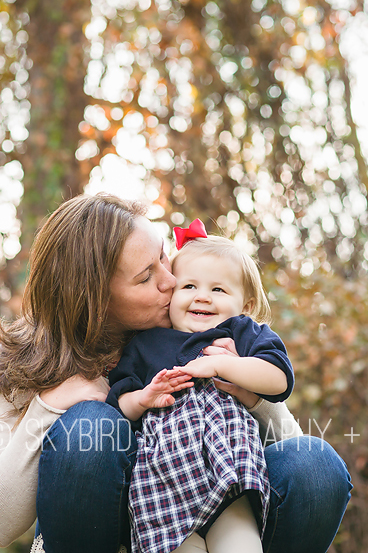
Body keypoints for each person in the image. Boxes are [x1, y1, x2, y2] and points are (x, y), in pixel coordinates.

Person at [0, 193, 351, 553]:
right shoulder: (34, 358)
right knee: (92, 425)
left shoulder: (197, 324)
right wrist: (48, 407)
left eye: (164, 260)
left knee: (316, 463)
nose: (171, 281)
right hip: (126, 525)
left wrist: (245, 389)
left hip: (226, 509)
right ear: (96, 299)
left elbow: (291, 447)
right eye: (145, 277)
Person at [107, 220, 294, 553]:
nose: (203, 297)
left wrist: (225, 365)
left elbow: (279, 379)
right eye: (189, 286)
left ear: (246, 306)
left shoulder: (240, 333)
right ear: (171, 294)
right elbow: (118, 404)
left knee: (242, 545)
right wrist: (145, 397)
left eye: (218, 290)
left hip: (230, 476)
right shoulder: (146, 343)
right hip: (163, 489)